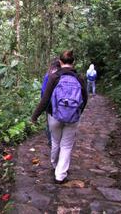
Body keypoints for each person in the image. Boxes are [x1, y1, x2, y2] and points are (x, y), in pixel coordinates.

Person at [31, 50, 88, 184]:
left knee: (56, 142)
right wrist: (78, 112)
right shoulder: (79, 78)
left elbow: (45, 100)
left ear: (60, 62)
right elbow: (85, 99)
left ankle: (55, 165)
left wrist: (35, 116)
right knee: (67, 145)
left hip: (54, 116)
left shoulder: (54, 77)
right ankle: (60, 175)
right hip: (73, 117)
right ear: (73, 62)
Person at [41, 58, 61, 147]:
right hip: (61, 104)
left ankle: (51, 142)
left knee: (49, 124)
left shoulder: (48, 75)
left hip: (49, 105)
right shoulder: (63, 74)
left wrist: (43, 104)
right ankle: (58, 142)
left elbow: (43, 91)